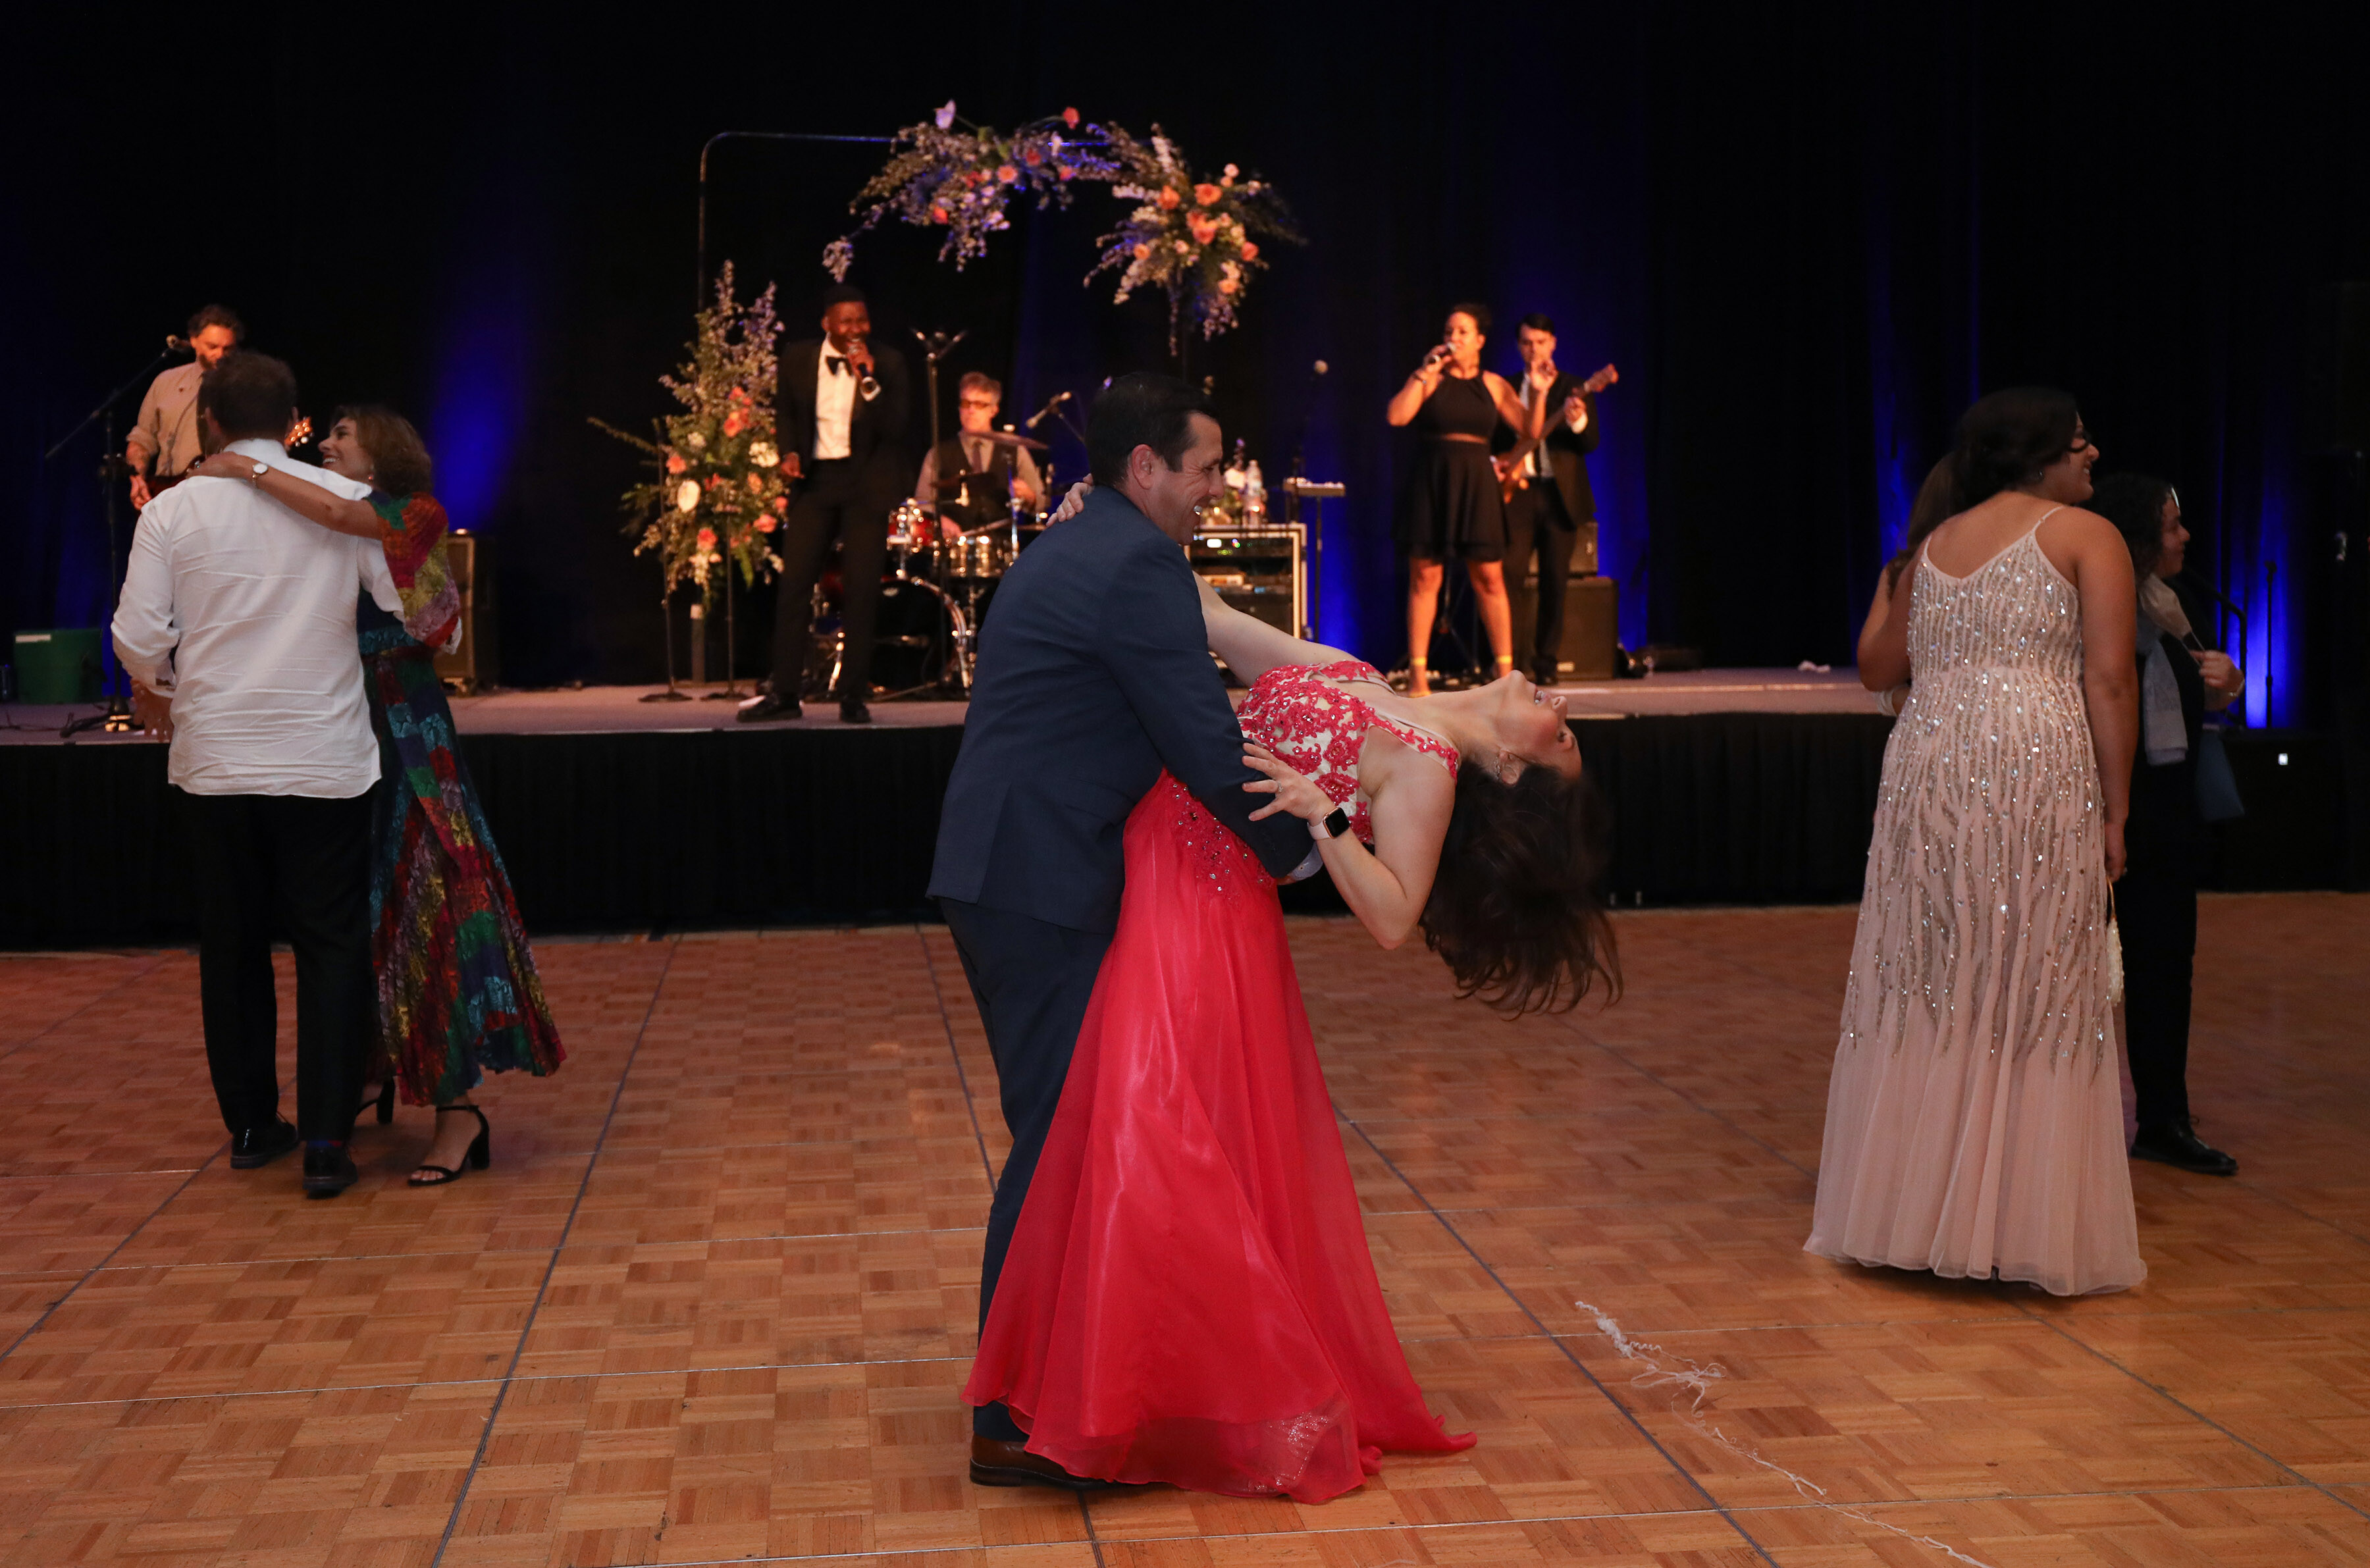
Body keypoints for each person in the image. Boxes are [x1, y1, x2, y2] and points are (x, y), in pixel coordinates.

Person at [962, 417, 1616, 1501]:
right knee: (1121, 1128)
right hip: (1148, 850)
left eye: (1560, 736)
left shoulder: (1431, 772)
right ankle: (1093, 1382)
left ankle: (1124, 1393)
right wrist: (1113, 533)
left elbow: (1397, 916)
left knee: (1150, 1132)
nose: (1556, 707)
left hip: (1205, 902)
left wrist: (1326, 824)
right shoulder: (1371, 683)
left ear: (1511, 767)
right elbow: (1210, 618)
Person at [1810, 387, 2143, 1295]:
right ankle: (2012, 1221)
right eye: (2079, 441)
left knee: (1933, 970)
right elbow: (2110, 680)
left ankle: (1912, 1211)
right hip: (2037, 764)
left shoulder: (1933, 547)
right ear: (2038, 452)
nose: (2092, 454)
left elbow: (1880, 667)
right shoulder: (2087, 536)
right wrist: (2118, 810)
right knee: (2032, 971)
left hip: (1931, 763)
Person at [189, 405, 568, 1186]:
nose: (323, 446)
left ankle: (458, 1114)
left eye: (341, 438)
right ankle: (369, 1072)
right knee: (356, 912)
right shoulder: (321, 513)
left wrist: (247, 467)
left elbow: (360, 539)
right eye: (323, 436)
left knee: (425, 903)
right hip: (337, 724)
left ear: (379, 456)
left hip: (405, 730)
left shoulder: (408, 512)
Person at [109, 352, 393, 1199]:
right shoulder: (343, 501)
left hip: (218, 760)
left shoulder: (173, 513)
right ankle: (326, 1141)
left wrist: (158, 685)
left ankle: (249, 1126)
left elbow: (134, 635)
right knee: (332, 944)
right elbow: (402, 597)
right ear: (294, 419)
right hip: (324, 756)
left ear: (210, 425)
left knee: (232, 946)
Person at [2092, 472, 2244, 1176]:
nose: (2184, 536)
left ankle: (2163, 1118)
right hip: (2101, 810)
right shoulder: (2094, 604)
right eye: (2172, 525)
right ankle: (2062, 1119)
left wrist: (2228, 687)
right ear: (2137, 534)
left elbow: (2194, 710)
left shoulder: (2175, 603)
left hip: (2169, 815)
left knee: (2164, 971)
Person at [742, 284, 911, 725]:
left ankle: (853, 695)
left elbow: (896, 429)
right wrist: (790, 454)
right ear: (827, 325)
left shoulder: (888, 364)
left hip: (864, 485)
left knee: (859, 592)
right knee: (795, 586)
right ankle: (784, 693)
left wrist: (868, 382)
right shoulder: (797, 359)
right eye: (847, 322)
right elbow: (787, 415)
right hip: (816, 483)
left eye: (862, 321)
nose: (857, 330)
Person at [1386, 305, 1549, 694]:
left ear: (1479, 341)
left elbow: (1531, 429)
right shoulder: (1431, 379)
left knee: (1490, 577)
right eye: (1449, 331)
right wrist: (1423, 372)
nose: (1454, 338)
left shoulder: (1493, 384)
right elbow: (1397, 416)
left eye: (1463, 332)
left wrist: (1540, 394)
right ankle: (1419, 676)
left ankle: (1506, 676)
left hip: (1477, 481)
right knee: (1425, 577)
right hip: (1434, 480)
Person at [1496, 314, 1605, 684]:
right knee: (1507, 577)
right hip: (1518, 493)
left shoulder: (1574, 387)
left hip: (1561, 497)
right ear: (1518, 346)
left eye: (1540, 342)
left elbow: (1589, 444)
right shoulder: (1506, 387)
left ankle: (1546, 664)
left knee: (1554, 582)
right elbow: (1496, 440)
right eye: (1527, 342)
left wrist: (1576, 421)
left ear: (1553, 344)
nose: (1534, 349)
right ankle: (1509, 665)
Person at [125, 304, 243, 507]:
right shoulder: (166, 382)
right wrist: (137, 477)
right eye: (213, 347)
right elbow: (142, 440)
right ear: (194, 341)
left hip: (224, 500)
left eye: (228, 348)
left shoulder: (246, 387)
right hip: (168, 497)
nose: (221, 355)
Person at [914, 371, 1042, 534]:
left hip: (1003, 545)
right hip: (955, 547)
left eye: (980, 404)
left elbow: (1042, 501)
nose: (971, 410)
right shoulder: (938, 454)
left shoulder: (1015, 450)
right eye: (966, 404)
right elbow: (922, 502)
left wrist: (1030, 497)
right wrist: (940, 520)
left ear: (994, 410)